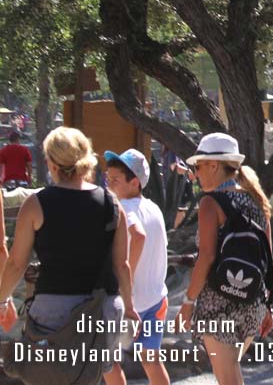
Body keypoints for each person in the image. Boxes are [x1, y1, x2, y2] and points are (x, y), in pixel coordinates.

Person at [0, 127, 139, 384]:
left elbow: (17, 263)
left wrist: (1, 299)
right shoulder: (111, 203)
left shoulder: (37, 204)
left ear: (51, 163)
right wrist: (129, 307)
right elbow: (122, 264)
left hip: (54, 308)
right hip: (102, 308)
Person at [174, 133, 273, 385]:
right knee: (231, 375)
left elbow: (206, 257)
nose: (195, 173)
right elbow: (267, 257)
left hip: (217, 305)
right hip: (252, 302)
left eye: (198, 167)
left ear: (214, 165)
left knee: (228, 379)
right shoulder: (257, 201)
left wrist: (187, 302)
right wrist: (269, 305)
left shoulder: (210, 203)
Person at [105, 149, 170, 385]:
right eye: (107, 179)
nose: (109, 185)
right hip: (156, 298)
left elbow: (138, 235)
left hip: (131, 302)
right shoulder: (153, 208)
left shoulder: (124, 207)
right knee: (152, 360)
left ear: (134, 182)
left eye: (115, 180)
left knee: (107, 360)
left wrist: (126, 279)